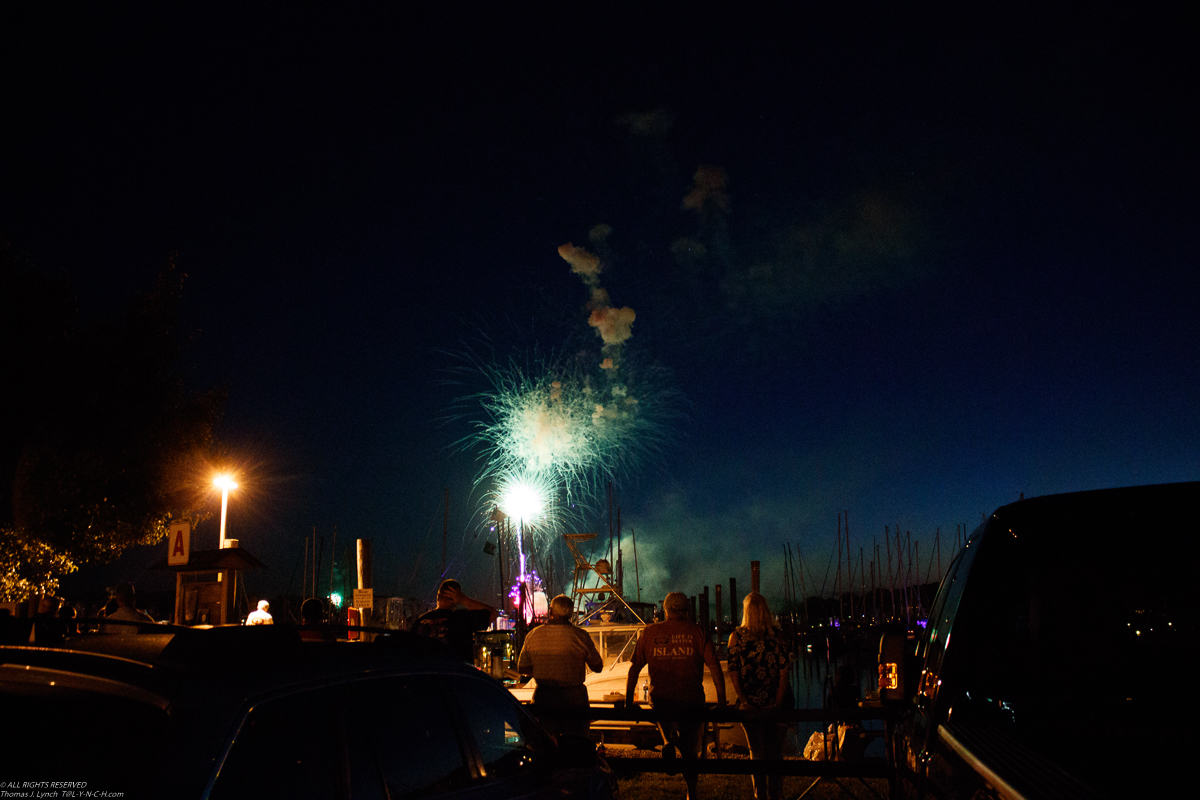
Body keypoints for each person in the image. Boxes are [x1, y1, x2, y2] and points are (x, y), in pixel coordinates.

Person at [625, 591, 726, 800]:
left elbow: (634, 669)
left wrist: (629, 701)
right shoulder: (698, 632)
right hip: (691, 701)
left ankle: (667, 742)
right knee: (690, 750)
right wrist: (722, 701)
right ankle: (691, 792)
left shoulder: (650, 632)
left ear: (666, 610)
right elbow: (715, 667)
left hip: (661, 699)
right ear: (686, 611)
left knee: (663, 717)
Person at [728, 592, 792, 800]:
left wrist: (744, 700)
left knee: (756, 750)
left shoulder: (736, 637)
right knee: (776, 753)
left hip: (750, 705)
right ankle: (776, 794)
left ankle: (760, 794)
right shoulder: (778, 637)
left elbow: (733, 672)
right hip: (777, 704)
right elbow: (784, 672)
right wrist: (777, 703)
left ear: (745, 612)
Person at [517, 594, 603, 738]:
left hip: (544, 699)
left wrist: (543, 669)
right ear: (570, 614)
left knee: (547, 742)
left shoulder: (533, 635)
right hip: (574, 700)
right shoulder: (580, 636)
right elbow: (598, 666)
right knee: (576, 743)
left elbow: (522, 668)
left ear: (550, 612)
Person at [410, 578, 498, 661]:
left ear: (438, 597)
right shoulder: (463, 618)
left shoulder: (420, 621)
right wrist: (464, 600)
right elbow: (493, 613)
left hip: (426, 673)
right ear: (456, 599)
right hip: (457, 674)